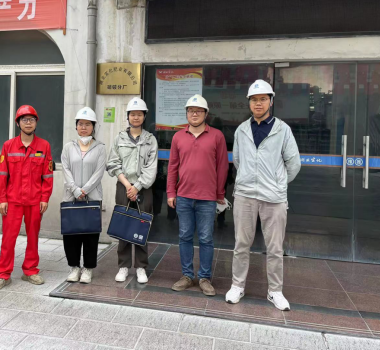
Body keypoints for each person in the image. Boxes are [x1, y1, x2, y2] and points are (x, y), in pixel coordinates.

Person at [225, 80, 301, 311]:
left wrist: (277, 184)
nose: (258, 103)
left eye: (263, 99)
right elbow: (238, 160)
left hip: (274, 198)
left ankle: (275, 291)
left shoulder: (282, 129)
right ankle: (237, 286)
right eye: (254, 100)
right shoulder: (242, 130)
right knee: (241, 244)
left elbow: (294, 163)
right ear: (249, 103)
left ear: (271, 101)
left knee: (275, 248)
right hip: (245, 195)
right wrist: (249, 179)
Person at [167, 94, 229, 296]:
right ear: (186, 113)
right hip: (184, 196)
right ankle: (187, 275)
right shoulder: (178, 137)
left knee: (206, 238)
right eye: (191, 111)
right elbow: (172, 166)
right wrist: (171, 192)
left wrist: (219, 193)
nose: (194, 114)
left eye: (198, 111)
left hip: (207, 198)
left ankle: (204, 278)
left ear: (206, 114)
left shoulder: (217, 136)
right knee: (184, 236)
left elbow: (222, 166)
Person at [0, 105, 54, 292]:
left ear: (36, 123)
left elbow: (48, 175)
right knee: (8, 239)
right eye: (24, 120)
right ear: (18, 123)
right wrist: (2, 199)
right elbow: (2, 174)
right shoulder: (8, 146)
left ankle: (30, 270)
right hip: (13, 201)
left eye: (31, 119)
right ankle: (3, 274)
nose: (28, 123)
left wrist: (45, 198)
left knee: (33, 237)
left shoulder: (44, 146)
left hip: (35, 201)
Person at [106, 97, 158, 284]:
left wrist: (137, 187)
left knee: (142, 227)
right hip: (124, 187)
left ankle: (141, 267)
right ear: (128, 116)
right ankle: (124, 265)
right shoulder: (119, 138)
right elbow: (113, 163)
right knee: (124, 226)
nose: (136, 117)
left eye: (139, 114)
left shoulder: (150, 140)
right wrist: (128, 186)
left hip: (144, 188)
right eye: (133, 114)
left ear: (144, 116)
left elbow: (151, 168)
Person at [61, 107, 106, 284]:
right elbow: (65, 170)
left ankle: (88, 268)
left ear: (93, 126)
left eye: (88, 124)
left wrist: (84, 190)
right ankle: (74, 267)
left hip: (92, 197)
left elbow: (99, 172)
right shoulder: (68, 147)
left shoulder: (100, 148)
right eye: (80, 124)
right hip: (70, 197)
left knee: (90, 234)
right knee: (71, 234)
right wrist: (75, 190)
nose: (84, 127)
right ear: (76, 126)